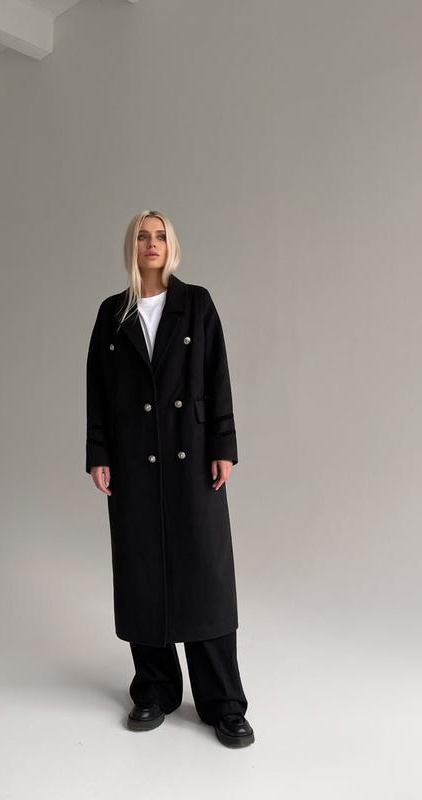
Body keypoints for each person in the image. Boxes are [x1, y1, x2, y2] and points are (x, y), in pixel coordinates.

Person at [86, 209, 254, 747]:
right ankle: (154, 690)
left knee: (205, 573)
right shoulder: (113, 313)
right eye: (143, 236)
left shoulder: (197, 304)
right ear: (132, 247)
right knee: (142, 571)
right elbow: (98, 389)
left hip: (192, 454)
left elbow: (217, 376)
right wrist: (98, 453)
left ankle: (223, 703)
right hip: (134, 460)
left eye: (160, 235)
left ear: (171, 245)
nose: (152, 243)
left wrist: (223, 446)